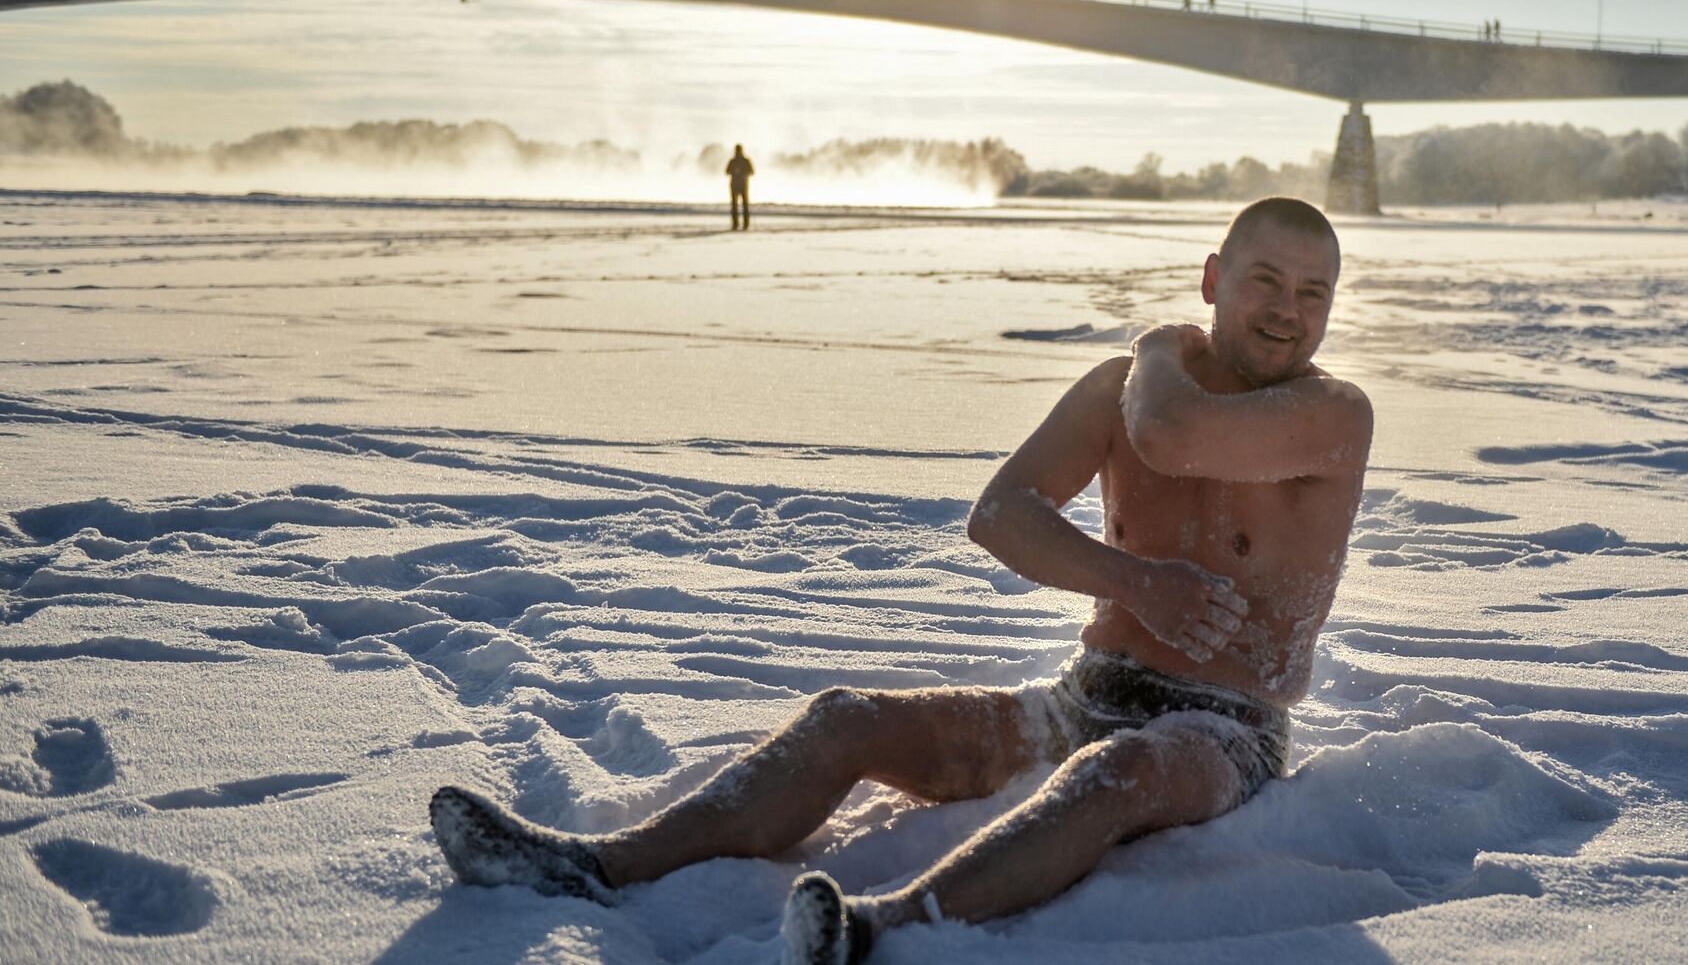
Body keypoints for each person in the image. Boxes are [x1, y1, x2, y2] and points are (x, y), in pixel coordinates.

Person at [426, 198, 1373, 964]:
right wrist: (1133, 579)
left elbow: (1173, 432)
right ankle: (599, 865)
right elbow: (1002, 515)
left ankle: (884, 927)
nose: (1290, 311)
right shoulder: (1115, 390)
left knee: (1115, 773)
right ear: (1215, 279)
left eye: (1315, 294)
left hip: (1223, 732)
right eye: (1265, 281)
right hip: (1084, 697)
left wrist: (1160, 345)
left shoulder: (1329, 415)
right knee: (847, 718)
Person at [725, 144, 754, 230]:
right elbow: (727, 171)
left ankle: (744, 224)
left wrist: (742, 172)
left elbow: (751, 171)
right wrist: (734, 171)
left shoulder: (744, 161)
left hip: (741, 185)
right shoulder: (734, 161)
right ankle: (737, 224)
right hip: (737, 185)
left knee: (743, 205)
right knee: (737, 206)